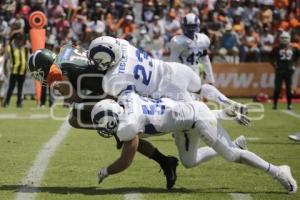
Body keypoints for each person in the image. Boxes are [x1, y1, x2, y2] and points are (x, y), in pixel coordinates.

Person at [27, 44, 179, 189]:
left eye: (39, 75)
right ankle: (162, 159)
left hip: (112, 86)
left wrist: (62, 88)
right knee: (76, 119)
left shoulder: (56, 71)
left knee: (124, 131)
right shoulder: (65, 50)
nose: (41, 79)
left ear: (43, 67)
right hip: (111, 78)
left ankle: (164, 161)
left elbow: (74, 99)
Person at [90, 90, 297, 194]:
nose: (105, 129)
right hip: (184, 121)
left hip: (196, 118)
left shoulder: (129, 124)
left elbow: (126, 160)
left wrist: (106, 171)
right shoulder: (126, 98)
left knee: (232, 156)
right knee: (189, 161)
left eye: (105, 124)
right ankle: (235, 141)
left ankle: (278, 170)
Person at [169, 13, 215, 84]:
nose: (191, 29)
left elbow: (205, 60)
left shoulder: (202, 39)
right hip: (182, 74)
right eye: (189, 26)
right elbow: (172, 61)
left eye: (193, 26)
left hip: (196, 74)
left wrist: (210, 78)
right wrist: (170, 78)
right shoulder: (178, 41)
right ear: (183, 27)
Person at [271, 31, 300, 110]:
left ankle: (289, 105)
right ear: (280, 39)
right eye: (282, 38)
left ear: (289, 38)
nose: (284, 39)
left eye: (285, 38)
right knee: (277, 88)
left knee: (289, 89)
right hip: (279, 71)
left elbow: (298, 56)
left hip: (289, 71)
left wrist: (294, 64)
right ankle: (275, 105)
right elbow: (270, 58)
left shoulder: (294, 47)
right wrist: (275, 65)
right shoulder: (276, 48)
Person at [2, 34, 28, 108]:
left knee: (20, 88)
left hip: (23, 71)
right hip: (14, 71)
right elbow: (6, 60)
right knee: (10, 88)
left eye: (22, 41)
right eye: (20, 41)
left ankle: (19, 103)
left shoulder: (25, 48)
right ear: (16, 40)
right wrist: (5, 70)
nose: (22, 42)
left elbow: (27, 58)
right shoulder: (10, 47)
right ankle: (6, 102)